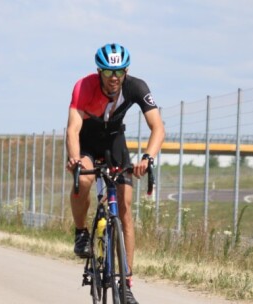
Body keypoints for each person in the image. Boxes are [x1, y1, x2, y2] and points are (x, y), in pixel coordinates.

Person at [66, 43, 165, 304]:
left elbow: (157, 127)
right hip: (87, 141)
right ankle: (80, 233)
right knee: (85, 179)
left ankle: (126, 282)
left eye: (119, 72)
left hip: (114, 143)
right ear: (99, 71)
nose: (114, 78)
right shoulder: (83, 86)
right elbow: (73, 129)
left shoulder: (136, 87)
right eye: (108, 72)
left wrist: (147, 157)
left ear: (126, 71)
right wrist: (75, 158)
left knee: (124, 210)